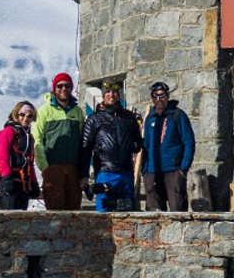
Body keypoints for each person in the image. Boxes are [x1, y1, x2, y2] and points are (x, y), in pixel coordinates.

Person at [81, 81, 143, 212]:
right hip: (105, 172)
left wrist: (133, 145)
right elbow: (85, 149)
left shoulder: (129, 117)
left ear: (119, 94)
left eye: (114, 92)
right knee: (104, 214)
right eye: (107, 92)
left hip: (126, 172)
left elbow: (138, 142)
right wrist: (84, 176)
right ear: (103, 95)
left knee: (127, 214)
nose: (111, 95)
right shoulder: (94, 119)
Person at [34, 73, 87, 210]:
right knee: (54, 210)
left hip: (73, 169)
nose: (63, 89)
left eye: (67, 86)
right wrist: (44, 166)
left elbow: (82, 141)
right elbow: (37, 140)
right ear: (54, 89)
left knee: (74, 209)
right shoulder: (44, 111)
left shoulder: (77, 112)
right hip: (52, 168)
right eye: (60, 86)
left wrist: (82, 170)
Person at [139, 81, 195, 211]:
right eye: (155, 96)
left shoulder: (177, 115)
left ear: (167, 96)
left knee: (177, 210)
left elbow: (189, 142)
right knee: (154, 212)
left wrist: (183, 168)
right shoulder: (149, 117)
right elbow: (145, 143)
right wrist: (144, 169)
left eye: (162, 95)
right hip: (151, 171)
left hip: (173, 170)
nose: (159, 99)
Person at [0, 101, 39, 210]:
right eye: (22, 115)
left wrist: (34, 183)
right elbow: (3, 157)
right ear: (16, 114)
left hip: (24, 184)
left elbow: (30, 162)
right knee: (11, 217)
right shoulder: (8, 132)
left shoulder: (29, 137)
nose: (25, 118)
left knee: (21, 218)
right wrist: (7, 178)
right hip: (11, 180)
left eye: (29, 115)